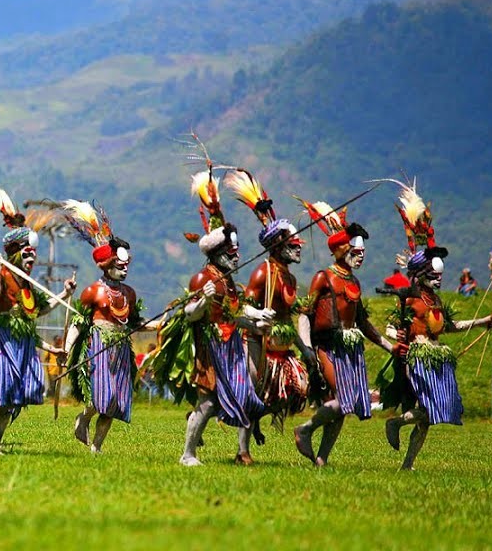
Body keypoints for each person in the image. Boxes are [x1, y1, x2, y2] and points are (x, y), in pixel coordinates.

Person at [167, 167, 271, 467]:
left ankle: (241, 448)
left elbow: (235, 311)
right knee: (208, 402)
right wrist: (205, 299)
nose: (237, 256)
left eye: (237, 251)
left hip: (231, 348)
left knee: (246, 397)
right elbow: (190, 314)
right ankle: (187, 453)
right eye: (231, 251)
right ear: (217, 252)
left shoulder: (228, 281)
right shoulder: (204, 278)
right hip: (210, 347)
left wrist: (257, 315)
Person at [292, 196, 399, 467]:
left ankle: (322, 459)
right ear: (340, 249)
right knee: (344, 401)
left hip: (350, 349)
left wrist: (390, 346)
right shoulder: (323, 277)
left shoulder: (354, 281)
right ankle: (305, 429)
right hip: (327, 347)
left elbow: (363, 323)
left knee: (342, 409)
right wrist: (306, 349)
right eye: (356, 250)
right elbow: (305, 313)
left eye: (363, 252)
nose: (361, 256)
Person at [0, 186, 72, 454]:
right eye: (26, 251)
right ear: (14, 252)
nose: (31, 256)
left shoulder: (27, 283)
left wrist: (64, 293)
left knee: (19, 396)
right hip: (1, 341)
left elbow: (39, 310)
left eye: (33, 252)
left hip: (23, 344)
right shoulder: (4, 273)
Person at [380, 241, 492, 470]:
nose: (439, 279)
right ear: (422, 275)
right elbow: (389, 328)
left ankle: (407, 464)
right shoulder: (410, 299)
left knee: (429, 418)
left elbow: (450, 326)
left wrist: (482, 322)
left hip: (437, 357)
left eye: (440, 275)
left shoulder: (436, 300)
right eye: (434, 275)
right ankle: (395, 423)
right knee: (429, 410)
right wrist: (399, 335)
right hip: (417, 357)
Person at [228, 170, 314, 466]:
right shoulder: (263, 272)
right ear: (278, 245)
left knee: (294, 391)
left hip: (281, 346)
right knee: (251, 392)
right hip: (256, 341)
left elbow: (290, 316)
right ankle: (242, 450)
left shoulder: (288, 275)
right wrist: (257, 313)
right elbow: (241, 306)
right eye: (293, 243)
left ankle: (255, 424)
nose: (299, 246)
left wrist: (305, 350)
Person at [60, 199, 141, 455]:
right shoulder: (93, 292)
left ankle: (96, 447)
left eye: (126, 265)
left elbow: (136, 323)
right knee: (100, 398)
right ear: (108, 265)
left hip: (121, 350)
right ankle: (83, 418)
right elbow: (78, 323)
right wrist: (66, 349)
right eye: (119, 265)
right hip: (98, 347)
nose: (124, 269)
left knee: (114, 403)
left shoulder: (130, 293)